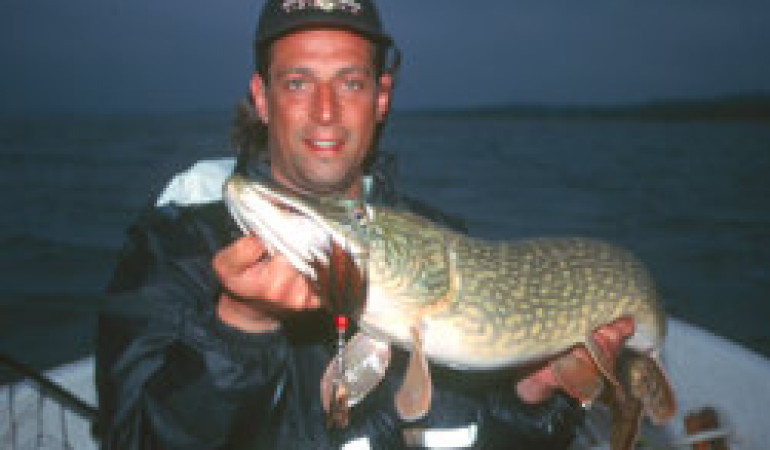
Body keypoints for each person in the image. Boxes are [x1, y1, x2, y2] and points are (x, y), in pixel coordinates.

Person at [97, 0, 633, 448]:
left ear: (381, 98)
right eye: (298, 83)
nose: (326, 111)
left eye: (350, 83)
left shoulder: (438, 240)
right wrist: (240, 328)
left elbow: (495, 436)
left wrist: (531, 397)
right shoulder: (172, 251)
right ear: (262, 98)